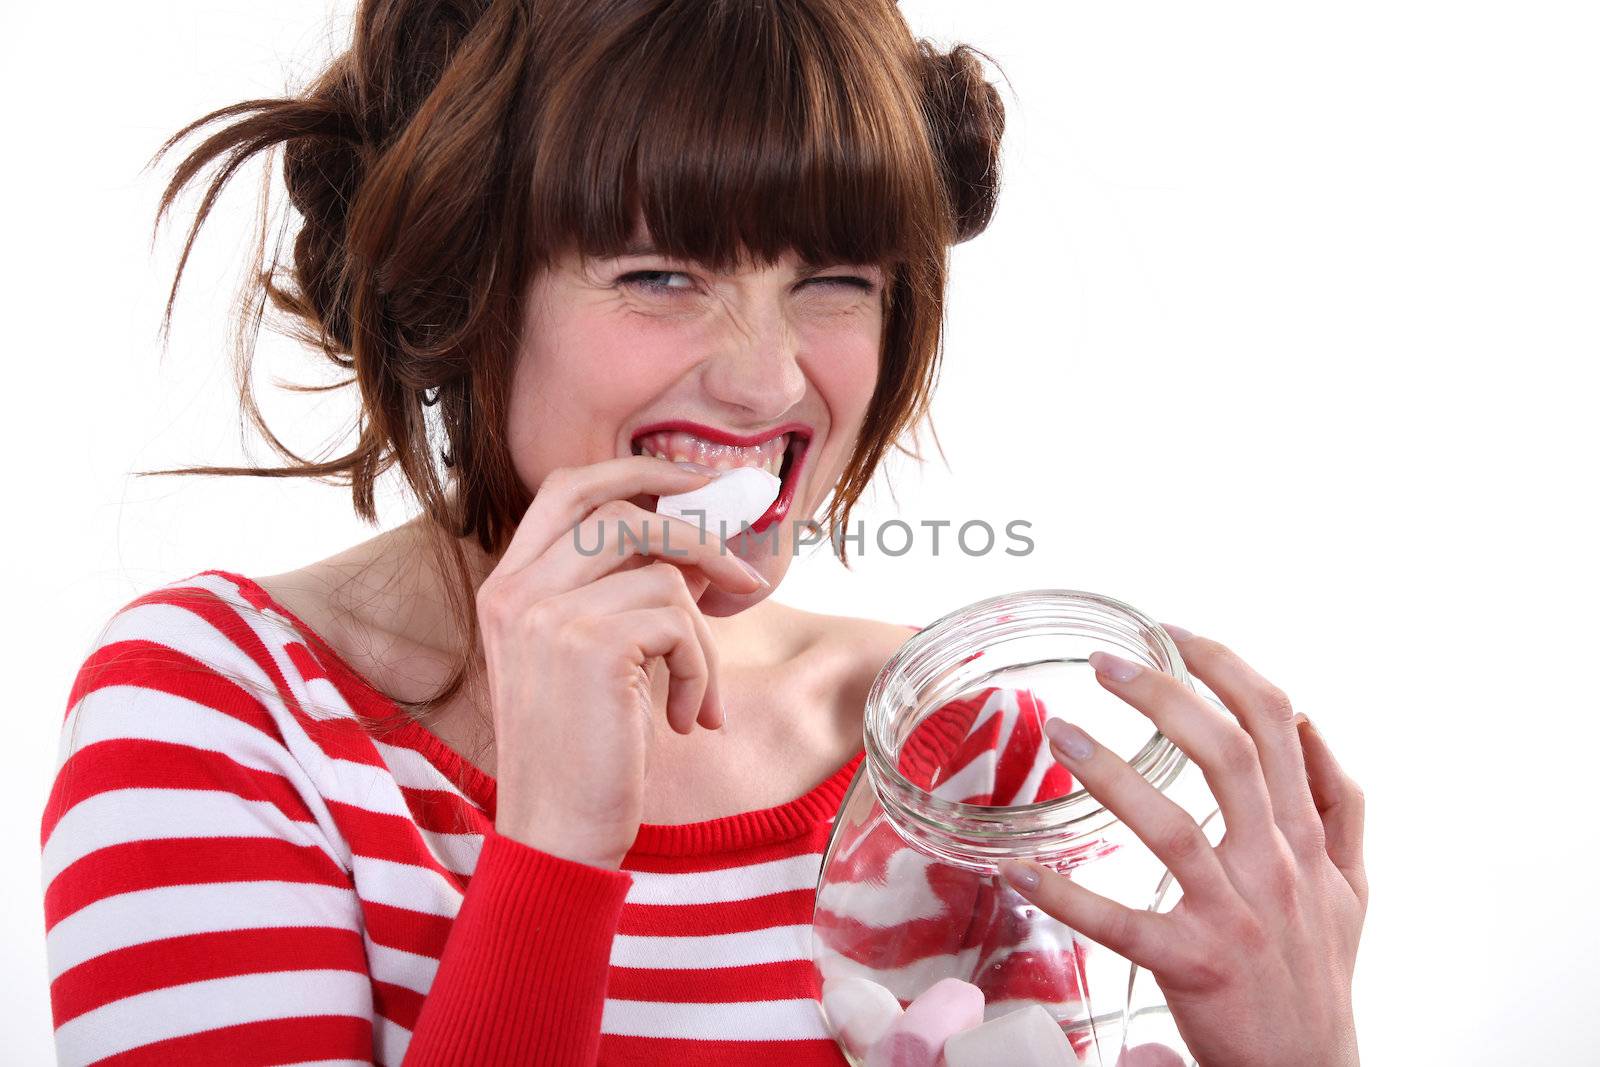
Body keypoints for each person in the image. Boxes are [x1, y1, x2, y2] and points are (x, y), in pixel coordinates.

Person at [39, 1, 1366, 1064]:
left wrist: (1295, 1061)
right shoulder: (223, 709)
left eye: (834, 279)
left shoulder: (951, 748)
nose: (766, 380)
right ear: (462, 290)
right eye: (660, 274)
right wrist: (556, 845)